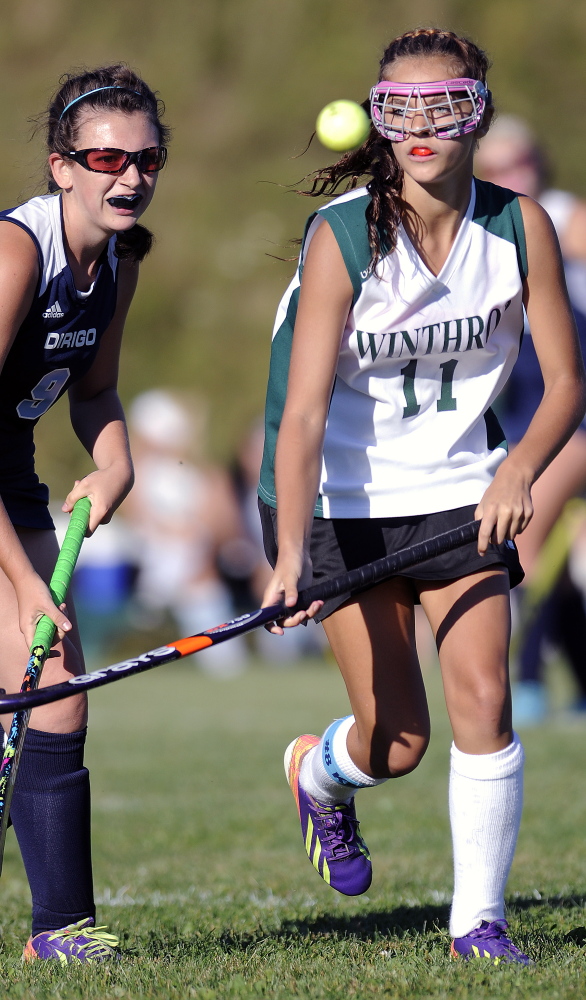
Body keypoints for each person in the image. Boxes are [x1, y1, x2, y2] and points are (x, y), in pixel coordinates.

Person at [258, 28, 586, 964]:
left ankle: (478, 926)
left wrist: (519, 469)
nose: (422, 126)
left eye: (444, 104)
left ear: (476, 111)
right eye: (400, 107)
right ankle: (321, 776)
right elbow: (304, 414)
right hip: (338, 504)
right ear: (379, 118)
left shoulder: (520, 226)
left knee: (485, 699)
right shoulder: (344, 236)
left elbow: (566, 381)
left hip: (461, 493)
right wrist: (286, 557)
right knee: (396, 743)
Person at [0, 64, 169, 962]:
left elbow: (95, 391)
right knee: (45, 653)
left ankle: (60, 933)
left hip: (10, 477)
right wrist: (27, 582)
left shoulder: (116, 261)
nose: (129, 176)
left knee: (55, 689)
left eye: (147, 159)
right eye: (106, 157)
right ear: (61, 164)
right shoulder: (15, 255)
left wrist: (116, 463)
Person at [476, 116, 586, 723]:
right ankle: (571, 684)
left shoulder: (565, 217)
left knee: (528, 535)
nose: (513, 177)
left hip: (573, 406)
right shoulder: (478, 225)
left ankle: (528, 677)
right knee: (559, 571)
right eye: (497, 169)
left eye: (522, 163)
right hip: (519, 407)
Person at [124, 389, 248, 678]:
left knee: (205, 603)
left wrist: (195, 538)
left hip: (191, 567)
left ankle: (223, 662)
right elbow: (138, 514)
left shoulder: (197, 473)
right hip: (157, 563)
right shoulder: (143, 471)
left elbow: (218, 522)